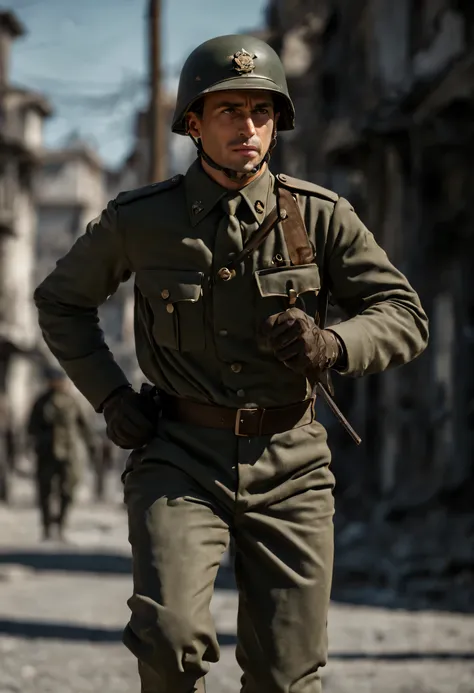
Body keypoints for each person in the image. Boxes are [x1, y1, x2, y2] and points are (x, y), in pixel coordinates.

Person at [34, 34, 429, 693]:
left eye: (261, 111)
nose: (248, 127)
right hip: (181, 454)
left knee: (286, 674)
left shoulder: (322, 216)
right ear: (193, 121)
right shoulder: (144, 219)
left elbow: (403, 314)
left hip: (293, 464)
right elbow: (61, 302)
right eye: (228, 111)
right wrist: (110, 395)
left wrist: (332, 344)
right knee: (168, 637)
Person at [27, 367, 97, 540]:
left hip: (68, 451)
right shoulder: (42, 401)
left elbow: (84, 425)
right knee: (45, 490)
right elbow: (31, 427)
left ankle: (60, 524)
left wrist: (91, 444)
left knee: (67, 489)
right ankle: (46, 526)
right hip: (46, 452)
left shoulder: (72, 401)